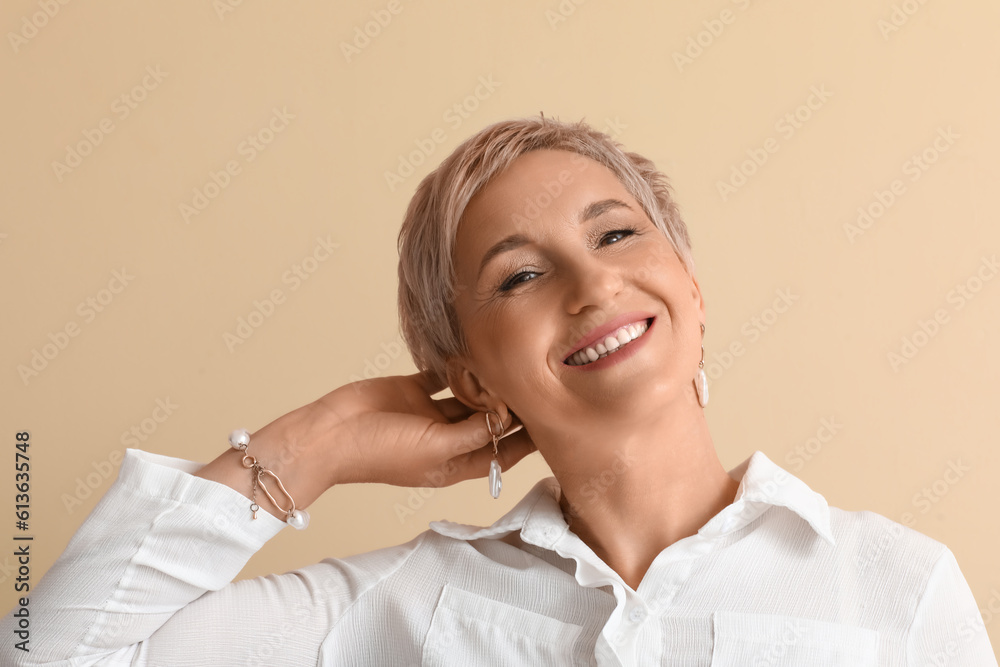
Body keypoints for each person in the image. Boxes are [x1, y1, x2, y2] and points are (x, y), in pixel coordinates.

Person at [2, 116, 995, 666]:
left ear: (688, 287)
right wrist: (327, 439)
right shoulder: (409, 602)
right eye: (519, 275)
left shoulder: (894, 586)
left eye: (616, 234)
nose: (592, 281)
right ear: (469, 374)